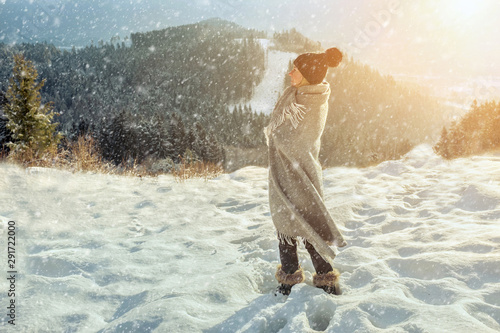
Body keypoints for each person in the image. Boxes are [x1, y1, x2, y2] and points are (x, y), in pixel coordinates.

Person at [264, 47, 347, 296]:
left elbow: (295, 141)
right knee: (288, 224)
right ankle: (297, 277)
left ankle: (318, 279)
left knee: (306, 223)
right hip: (289, 171)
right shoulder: (302, 94)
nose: (290, 73)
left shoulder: (309, 101)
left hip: (299, 172)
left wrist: (278, 138)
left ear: (308, 75)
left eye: (296, 70)